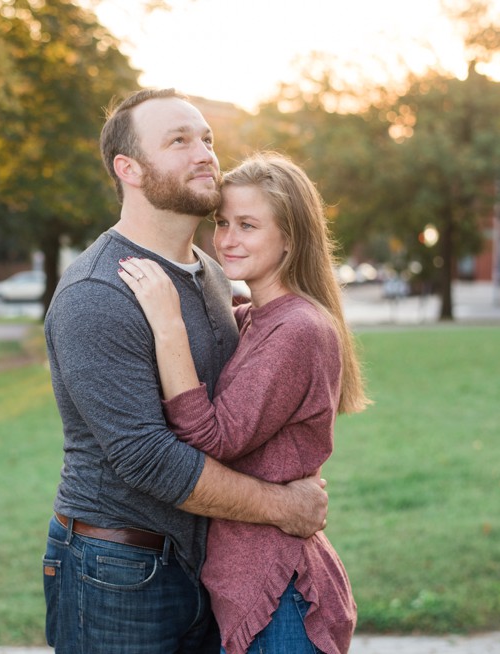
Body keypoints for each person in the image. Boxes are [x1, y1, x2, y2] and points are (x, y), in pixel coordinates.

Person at [43, 88, 330, 654]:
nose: (204, 153)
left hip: (203, 560)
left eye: (207, 139)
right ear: (129, 169)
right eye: (179, 141)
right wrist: (283, 506)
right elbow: (147, 458)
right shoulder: (99, 292)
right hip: (117, 568)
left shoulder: (210, 272)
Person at [117, 151, 371, 654]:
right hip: (254, 590)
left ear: (291, 238)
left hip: (280, 595)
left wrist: (168, 324)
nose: (228, 239)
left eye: (249, 225)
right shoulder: (257, 316)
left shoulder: (298, 329)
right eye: (222, 222)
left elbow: (214, 438)